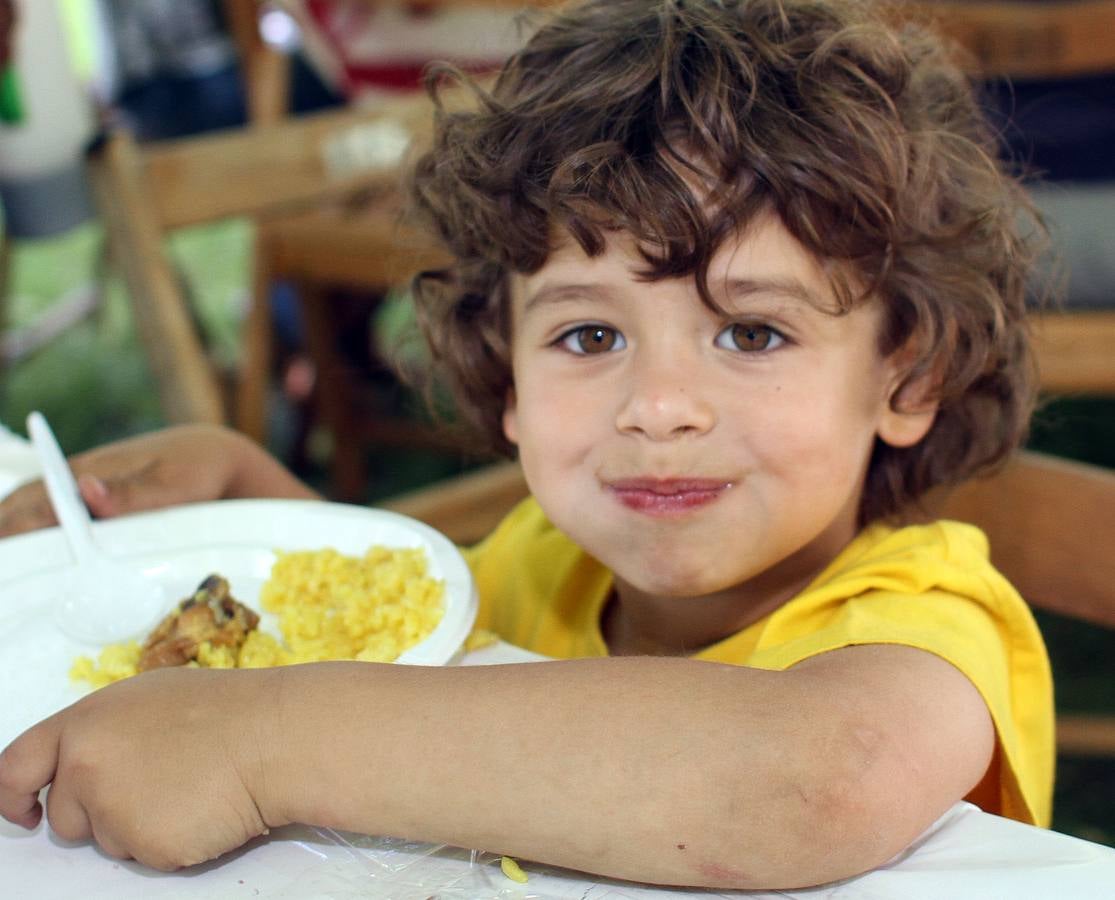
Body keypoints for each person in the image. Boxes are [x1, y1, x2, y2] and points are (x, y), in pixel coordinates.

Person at [0, 0, 1054, 890]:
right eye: (588, 335)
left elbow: (815, 775)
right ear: (507, 375)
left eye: (750, 331)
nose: (657, 406)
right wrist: (244, 495)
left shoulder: (926, 625)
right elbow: (439, 673)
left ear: (904, 376)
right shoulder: (543, 565)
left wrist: (260, 737)